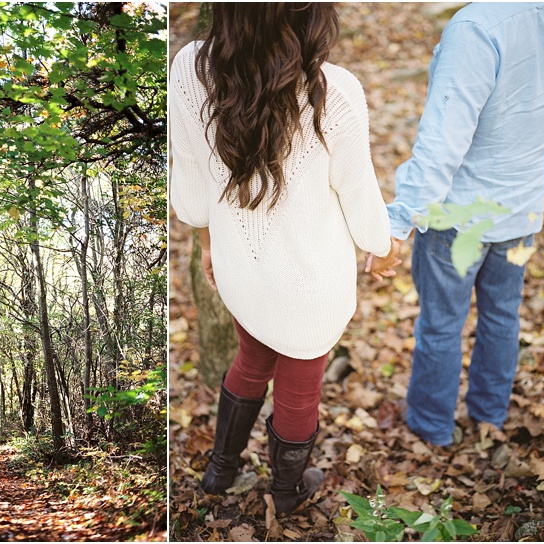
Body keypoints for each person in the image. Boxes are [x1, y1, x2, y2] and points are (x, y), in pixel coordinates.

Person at [170, 3, 401, 515]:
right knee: (299, 392)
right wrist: (384, 250)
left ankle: (219, 471)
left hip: (241, 268)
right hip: (309, 284)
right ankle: (286, 493)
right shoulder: (332, 90)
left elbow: (186, 187)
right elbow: (359, 193)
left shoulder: (189, 67)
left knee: (251, 360)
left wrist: (208, 246)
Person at [378, 3, 544, 447]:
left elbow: (444, 138)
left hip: (459, 214)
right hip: (521, 205)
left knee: (443, 324)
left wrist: (401, 218)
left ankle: (432, 428)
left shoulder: (475, 27)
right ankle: (488, 418)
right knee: (502, 316)